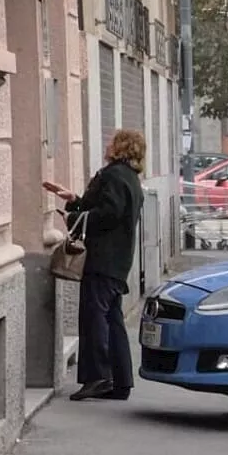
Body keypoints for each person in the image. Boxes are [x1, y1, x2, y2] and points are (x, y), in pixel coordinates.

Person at [42, 129, 145, 402]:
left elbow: (109, 213)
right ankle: (120, 380)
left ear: (122, 147)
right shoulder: (131, 179)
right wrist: (74, 200)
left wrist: (76, 218)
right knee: (112, 318)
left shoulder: (113, 175)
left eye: (113, 141)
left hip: (103, 259)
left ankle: (98, 376)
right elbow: (111, 208)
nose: (108, 144)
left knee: (94, 316)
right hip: (119, 259)